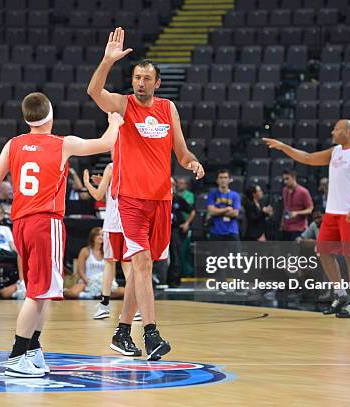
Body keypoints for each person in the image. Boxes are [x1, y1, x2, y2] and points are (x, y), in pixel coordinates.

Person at [0, 92, 123, 378]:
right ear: (51, 114)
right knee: (37, 292)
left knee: (47, 289)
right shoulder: (63, 144)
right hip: (45, 222)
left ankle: (33, 347)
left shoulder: (13, 145)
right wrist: (114, 120)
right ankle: (16, 356)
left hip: (21, 222)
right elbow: (107, 143)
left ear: (27, 117)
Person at [87, 27, 205, 360]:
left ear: (157, 83)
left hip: (161, 201)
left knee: (145, 268)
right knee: (139, 264)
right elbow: (94, 90)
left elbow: (181, 153)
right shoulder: (123, 105)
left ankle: (122, 332)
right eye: (137, 77)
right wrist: (107, 61)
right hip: (130, 200)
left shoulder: (168, 109)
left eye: (146, 78)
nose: (140, 82)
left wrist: (193, 163)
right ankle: (151, 333)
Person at [263, 119, 350, 318]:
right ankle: (341, 294)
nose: (332, 132)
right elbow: (308, 158)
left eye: (335, 129)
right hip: (333, 212)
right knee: (323, 251)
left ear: (346, 131)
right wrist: (284, 147)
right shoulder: (335, 151)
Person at [83, 161, 142, 335]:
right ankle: (137, 308)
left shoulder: (112, 166)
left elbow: (98, 195)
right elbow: (113, 193)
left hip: (114, 224)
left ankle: (104, 304)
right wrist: (106, 182)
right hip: (130, 223)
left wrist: (87, 183)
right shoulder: (135, 165)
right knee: (127, 265)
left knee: (110, 263)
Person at [64, 227, 125, 300]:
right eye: (98, 235)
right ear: (93, 237)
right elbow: (80, 270)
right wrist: (87, 281)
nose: (101, 237)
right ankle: (89, 294)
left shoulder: (108, 252)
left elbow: (112, 272)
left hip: (104, 283)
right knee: (73, 293)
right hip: (87, 281)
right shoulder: (85, 251)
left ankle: (94, 296)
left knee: (123, 291)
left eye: (102, 235)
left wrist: (109, 283)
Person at [207, 169, 241, 241]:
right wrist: (227, 209)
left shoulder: (235, 195)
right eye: (221, 178)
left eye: (225, 178)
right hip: (216, 231)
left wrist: (217, 211)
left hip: (232, 231)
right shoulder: (212, 194)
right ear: (217, 180)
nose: (223, 180)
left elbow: (235, 213)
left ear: (229, 180)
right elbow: (211, 212)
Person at [281, 169, 314, 241]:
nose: (285, 182)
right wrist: (282, 223)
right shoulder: (284, 190)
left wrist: (297, 213)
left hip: (298, 229)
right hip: (286, 228)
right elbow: (285, 207)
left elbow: (310, 209)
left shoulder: (303, 192)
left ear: (293, 177)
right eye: (284, 179)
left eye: (287, 179)